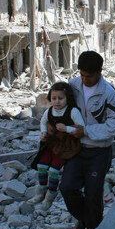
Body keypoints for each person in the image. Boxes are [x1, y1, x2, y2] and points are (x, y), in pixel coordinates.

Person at [60, 51, 115, 229]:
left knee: (93, 193)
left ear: (99, 73)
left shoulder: (108, 93)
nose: (85, 79)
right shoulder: (73, 86)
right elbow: (60, 108)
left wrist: (86, 131)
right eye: (82, 75)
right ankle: (87, 220)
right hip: (77, 150)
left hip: (99, 151)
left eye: (89, 76)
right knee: (67, 187)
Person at [29, 82, 85, 211]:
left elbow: (82, 127)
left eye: (61, 98)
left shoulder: (73, 111)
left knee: (54, 171)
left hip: (66, 146)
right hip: (51, 143)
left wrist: (67, 128)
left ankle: (50, 196)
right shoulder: (49, 111)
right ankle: (40, 193)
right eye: (54, 98)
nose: (57, 101)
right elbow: (43, 122)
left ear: (67, 98)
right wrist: (43, 133)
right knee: (41, 166)